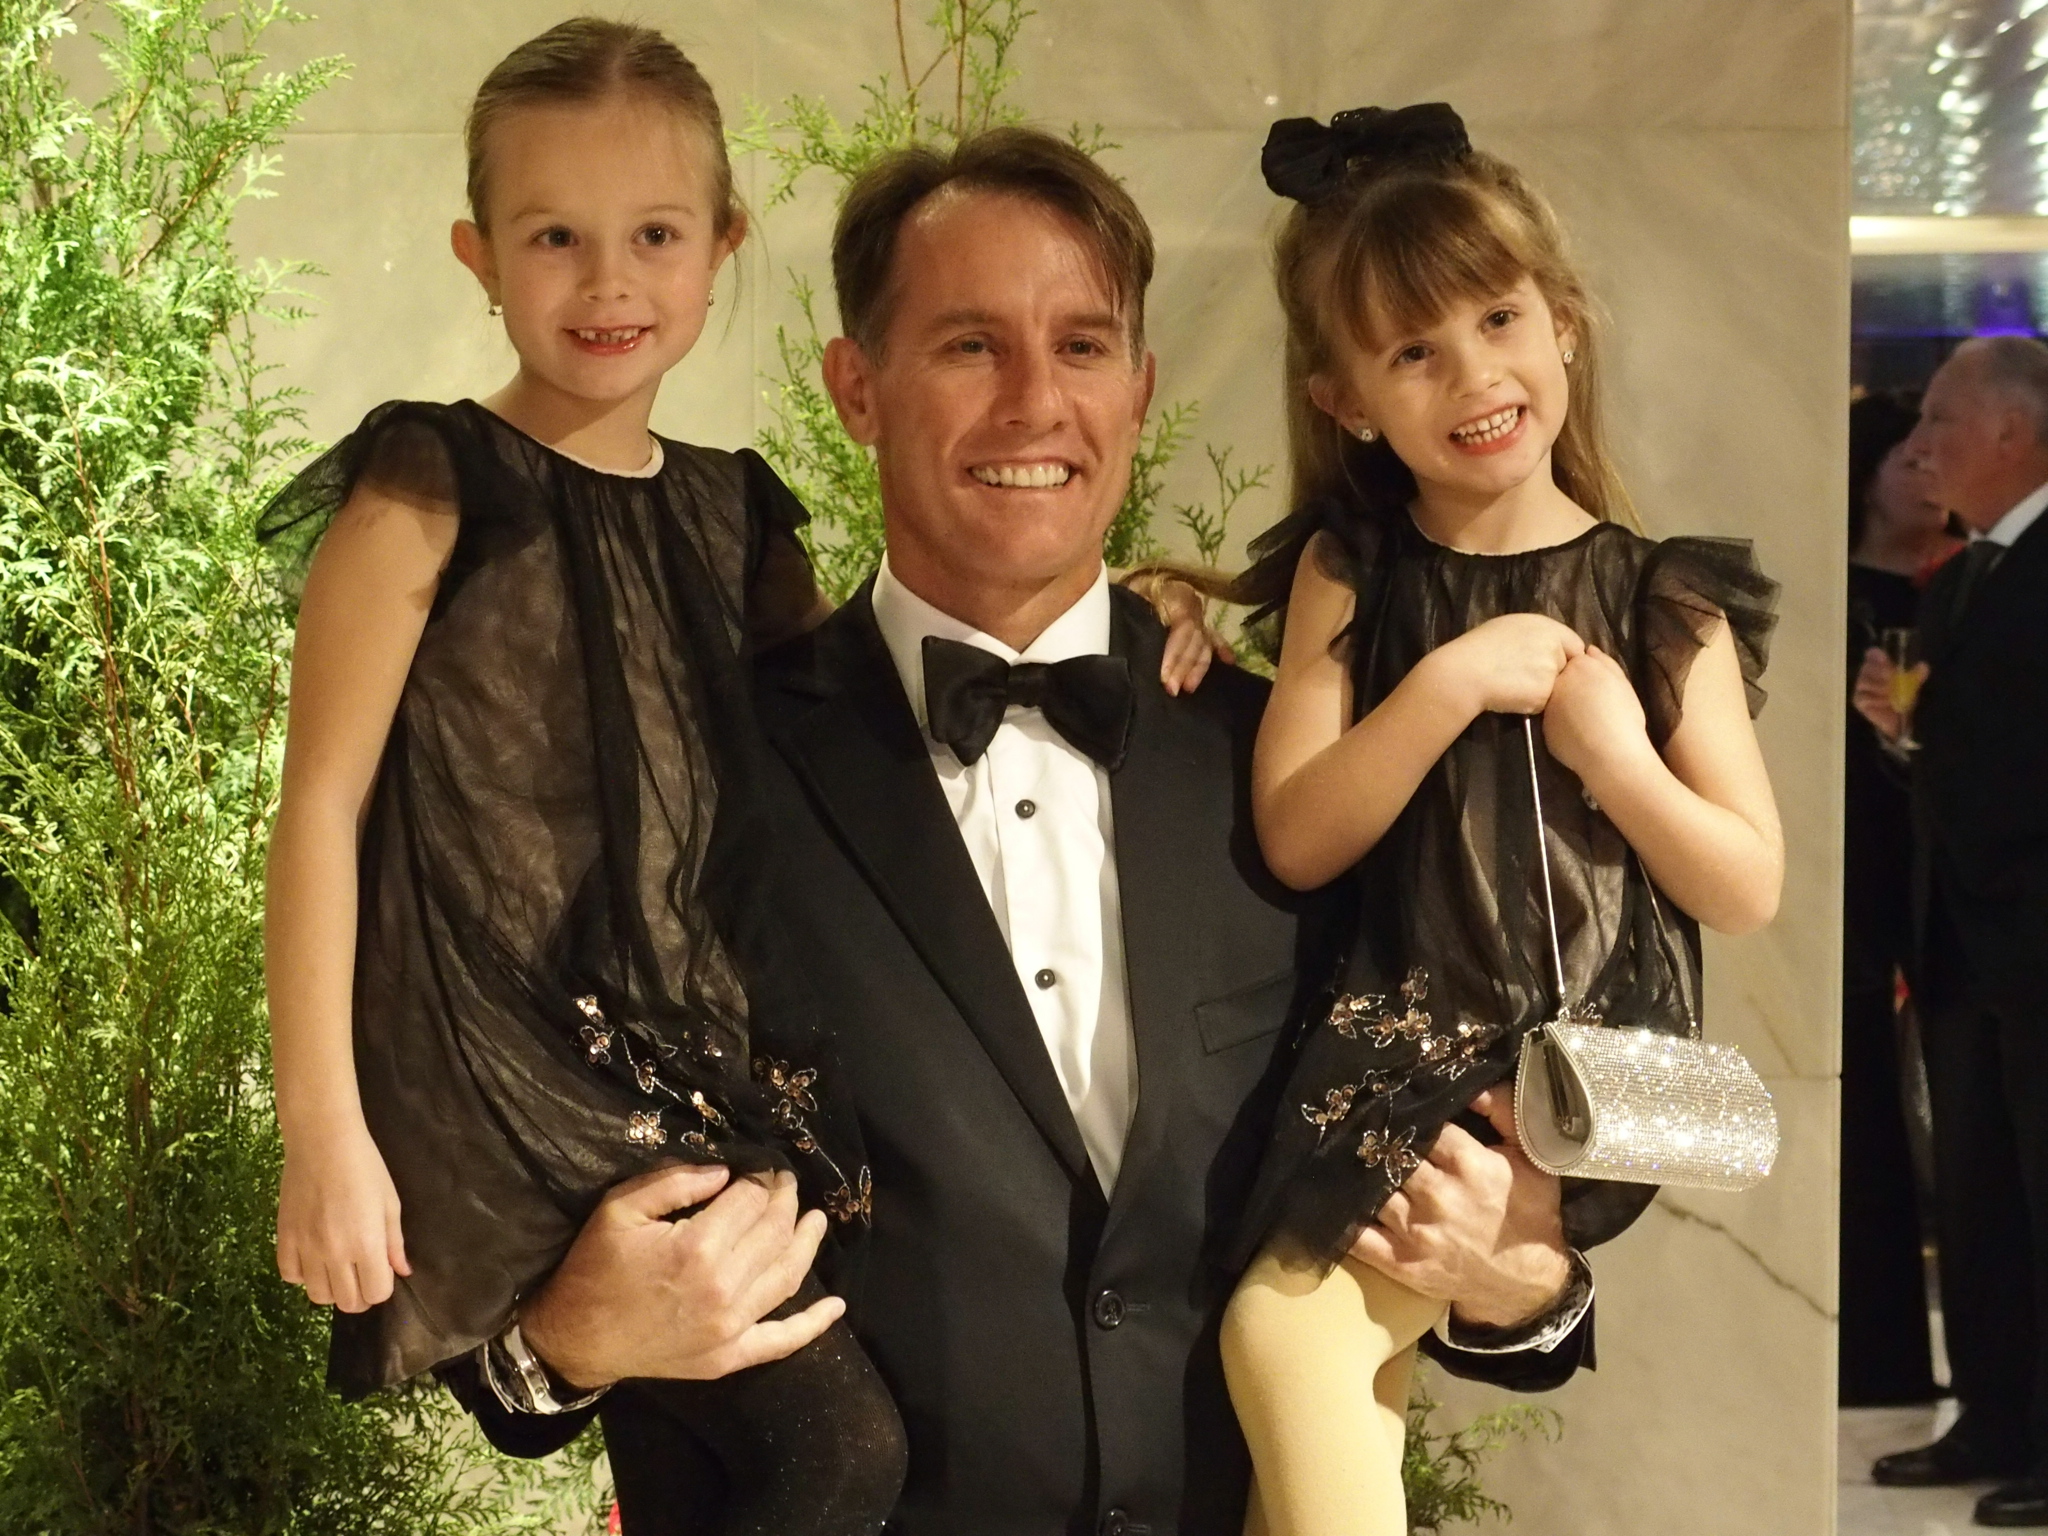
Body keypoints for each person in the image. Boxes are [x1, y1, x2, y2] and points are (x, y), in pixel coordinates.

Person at [452, 126, 1603, 1535]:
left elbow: (1460, 1196)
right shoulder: (692, 772)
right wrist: (566, 1335)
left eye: (1080, 346)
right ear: (857, 388)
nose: (1035, 403)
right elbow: (499, 1184)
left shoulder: (1301, 776)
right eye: (968, 347)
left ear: (1139, 388)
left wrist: (1521, 1281)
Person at [259, 20, 910, 1533]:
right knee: (838, 1449)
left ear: (722, 245)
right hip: (515, 1075)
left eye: (654, 235)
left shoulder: (734, 516)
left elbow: (864, 737)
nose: (608, 282)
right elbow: (319, 807)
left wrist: (1145, 610)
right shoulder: (429, 487)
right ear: (479, 255)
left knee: (719, 1458)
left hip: (688, 1072)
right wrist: (323, 1132)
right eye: (556, 237)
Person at [1217, 104, 1784, 1535]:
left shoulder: (1662, 597)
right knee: (1327, 1389)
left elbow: (1744, 883)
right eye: (1413, 352)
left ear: (1563, 324)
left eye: (1497, 318)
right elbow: (1296, 833)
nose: (1472, 374)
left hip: (1575, 1076)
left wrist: (1619, 760)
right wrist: (1447, 685)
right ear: (1346, 399)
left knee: (1286, 1335)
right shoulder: (1354, 574)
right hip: (1394, 1050)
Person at [1857, 337, 2048, 1526]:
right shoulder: (1967, 571)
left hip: (2033, 936)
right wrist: (1903, 736)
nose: (1917, 442)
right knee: (1980, 1197)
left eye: (1938, 418)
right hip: (1962, 940)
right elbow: (1968, 746)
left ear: (2011, 433)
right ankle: (1989, 1416)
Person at [1839, 391, 1951, 1408]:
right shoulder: (1837, 598)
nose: (1931, 473)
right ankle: (1877, 1362)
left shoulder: (1969, 585)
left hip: (1956, 877)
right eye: (1910, 459)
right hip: (1860, 869)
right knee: (1868, 1099)